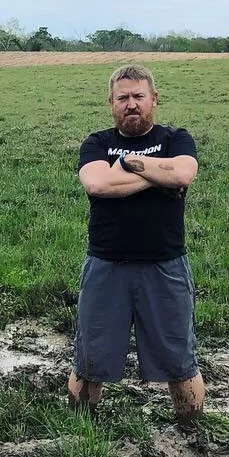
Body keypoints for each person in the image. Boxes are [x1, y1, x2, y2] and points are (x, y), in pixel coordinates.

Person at [67, 64, 205, 424]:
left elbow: (184, 174)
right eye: (122, 97)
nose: (131, 104)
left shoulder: (177, 138)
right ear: (110, 102)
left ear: (154, 99)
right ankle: (83, 433)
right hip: (106, 265)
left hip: (165, 265)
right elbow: (97, 186)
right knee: (90, 361)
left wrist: (128, 165)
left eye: (138, 97)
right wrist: (160, 177)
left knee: (181, 362)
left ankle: (190, 432)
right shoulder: (96, 143)